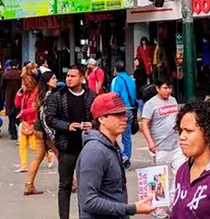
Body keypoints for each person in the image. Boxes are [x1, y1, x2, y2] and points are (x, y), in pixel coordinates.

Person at [76, 92, 155, 218]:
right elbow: (88, 201)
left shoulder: (110, 145)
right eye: (118, 114)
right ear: (101, 119)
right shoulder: (95, 151)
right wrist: (132, 208)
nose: (124, 118)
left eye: (124, 113)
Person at [45, 64, 96, 219]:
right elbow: (50, 118)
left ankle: (85, 215)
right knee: (65, 185)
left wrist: (92, 124)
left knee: (87, 186)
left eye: (73, 76)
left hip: (87, 146)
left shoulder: (92, 95)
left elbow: (101, 116)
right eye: (67, 76)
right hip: (66, 146)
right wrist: (67, 126)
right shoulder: (57, 96)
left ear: (82, 78)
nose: (69, 79)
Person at [140, 78, 183, 218]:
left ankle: (171, 202)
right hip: (160, 148)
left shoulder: (173, 101)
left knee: (182, 174)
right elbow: (145, 124)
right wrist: (150, 142)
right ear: (157, 88)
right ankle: (158, 208)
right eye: (165, 88)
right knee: (159, 180)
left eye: (170, 88)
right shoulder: (150, 104)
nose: (168, 91)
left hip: (176, 146)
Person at [109, 61, 137, 168]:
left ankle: (122, 157)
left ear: (116, 69)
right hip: (130, 109)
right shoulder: (131, 79)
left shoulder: (116, 80)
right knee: (127, 137)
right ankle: (126, 159)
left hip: (120, 110)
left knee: (110, 135)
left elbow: (113, 96)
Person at [14, 70, 39, 175]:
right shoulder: (24, 94)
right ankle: (24, 165)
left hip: (32, 121)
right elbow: (17, 105)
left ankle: (49, 154)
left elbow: (34, 109)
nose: (22, 86)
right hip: (24, 121)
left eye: (23, 84)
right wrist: (18, 95)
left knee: (34, 145)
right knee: (22, 145)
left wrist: (23, 112)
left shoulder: (34, 94)